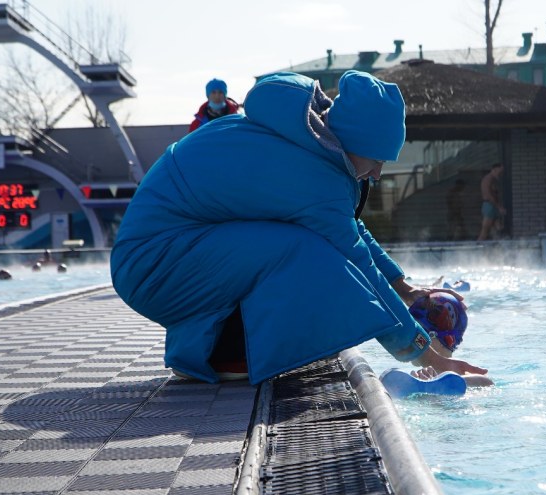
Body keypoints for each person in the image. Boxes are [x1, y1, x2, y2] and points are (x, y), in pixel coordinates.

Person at [111, 70, 489, 385]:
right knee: (304, 248)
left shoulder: (306, 139)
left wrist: (403, 288)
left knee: (306, 245)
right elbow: (353, 257)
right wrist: (427, 355)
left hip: (163, 252)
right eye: (376, 160)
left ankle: (220, 348)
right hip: (151, 265)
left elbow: (347, 227)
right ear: (354, 142)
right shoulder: (309, 173)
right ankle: (221, 354)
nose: (377, 174)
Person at [477, 163, 505, 241]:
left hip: (493, 206)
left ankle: (498, 244)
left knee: (497, 228)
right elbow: (488, 195)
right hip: (490, 206)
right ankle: (479, 244)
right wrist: (499, 207)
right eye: (500, 171)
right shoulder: (488, 179)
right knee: (485, 229)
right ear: (495, 170)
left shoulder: (493, 180)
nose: (501, 174)